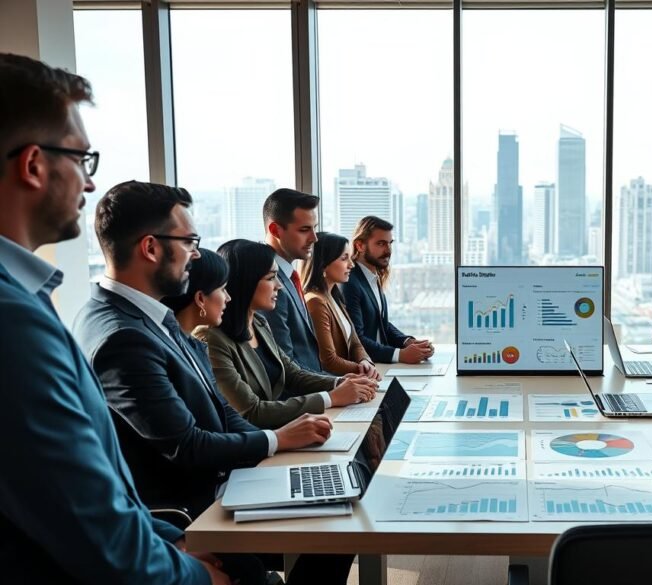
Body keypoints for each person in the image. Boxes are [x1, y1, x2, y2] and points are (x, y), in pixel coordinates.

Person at [0, 53, 226, 584]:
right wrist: (197, 575)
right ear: (33, 164)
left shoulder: (26, 300)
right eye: (82, 159)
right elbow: (96, 534)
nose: (88, 183)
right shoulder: (14, 323)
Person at [75, 181, 348, 584]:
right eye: (189, 241)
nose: (197, 254)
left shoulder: (154, 320)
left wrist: (274, 446)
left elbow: (220, 408)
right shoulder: (122, 337)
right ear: (151, 248)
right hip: (192, 516)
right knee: (332, 534)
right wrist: (275, 441)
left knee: (337, 510)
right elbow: (185, 445)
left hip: (223, 487)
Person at [198, 239, 377, 429]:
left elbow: (293, 374)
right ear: (246, 282)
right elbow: (251, 411)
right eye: (270, 278)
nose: (279, 285)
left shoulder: (259, 323)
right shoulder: (213, 340)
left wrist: (340, 382)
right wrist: (331, 397)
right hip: (262, 443)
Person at [345, 215, 434, 364]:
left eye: (390, 243)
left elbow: (381, 323)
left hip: (381, 365)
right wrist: (400, 355)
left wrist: (408, 342)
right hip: (367, 369)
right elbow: (356, 339)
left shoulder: (373, 277)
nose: (388, 250)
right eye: (381, 244)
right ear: (360, 245)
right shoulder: (350, 282)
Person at [300, 231, 382, 379]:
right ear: (323, 265)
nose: (351, 265)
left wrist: (365, 361)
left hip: (353, 381)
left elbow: (355, 342)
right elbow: (328, 360)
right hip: (337, 385)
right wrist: (362, 370)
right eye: (344, 258)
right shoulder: (315, 302)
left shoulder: (334, 296)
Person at [261, 188, 323, 373]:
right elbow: (285, 364)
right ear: (275, 230)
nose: (314, 238)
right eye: (304, 230)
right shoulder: (267, 282)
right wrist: (337, 385)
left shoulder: (287, 276)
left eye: (314, 228)